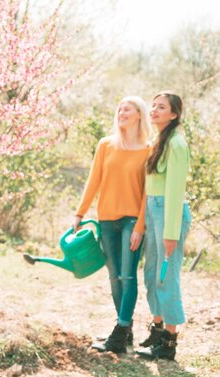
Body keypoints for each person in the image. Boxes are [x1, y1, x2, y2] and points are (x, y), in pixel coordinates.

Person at [73, 96, 152, 354]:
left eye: (127, 109)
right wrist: (80, 213)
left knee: (128, 276)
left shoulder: (148, 150)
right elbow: (93, 180)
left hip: (132, 220)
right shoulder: (106, 145)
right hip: (106, 220)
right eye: (119, 109)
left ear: (139, 114)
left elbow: (147, 194)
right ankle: (124, 330)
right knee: (114, 278)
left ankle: (119, 332)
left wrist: (140, 226)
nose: (122, 112)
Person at [136, 92, 190, 361]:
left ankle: (170, 340)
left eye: (162, 107)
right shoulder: (159, 141)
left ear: (174, 114)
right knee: (150, 275)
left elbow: (175, 191)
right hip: (154, 210)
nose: (154, 110)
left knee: (166, 276)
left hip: (170, 213)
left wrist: (171, 232)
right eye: (153, 105)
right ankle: (157, 329)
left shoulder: (177, 143)